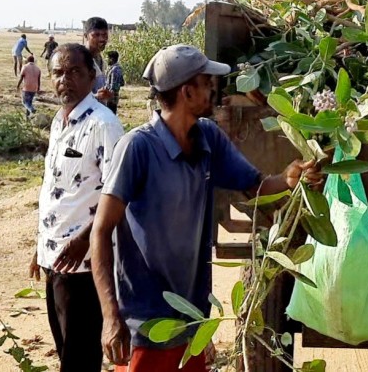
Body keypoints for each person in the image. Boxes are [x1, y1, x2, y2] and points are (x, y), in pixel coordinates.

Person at [90, 45, 324, 371]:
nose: (213, 88)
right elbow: (101, 231)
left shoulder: (208, 138)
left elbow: (255, 186)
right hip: (145, 327)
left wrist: (290, 177)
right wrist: (110, 316)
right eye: (206, 82)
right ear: (187, 92)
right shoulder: (137, 147)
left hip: (192, 324)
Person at [30, 43, 124, 372]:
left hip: (85, 265)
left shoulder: (103, 125)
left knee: (80, 358)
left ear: (91, 77)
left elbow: (120, 193)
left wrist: (86, 237)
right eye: (58, 73)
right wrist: (39, 246)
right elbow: (54, 190)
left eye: (74, 72)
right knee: (66, 351)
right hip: (55, 259)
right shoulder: (60, 122)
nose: (64, 80)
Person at [83, 17, 112, 105]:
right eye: (96, 35)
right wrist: (96, 96)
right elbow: (71, 93)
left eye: (104, 35)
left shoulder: (100, 59)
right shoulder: (79, 59)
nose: (102, 39)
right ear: (86, 36)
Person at [103, 51, 125, 116]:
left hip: (111, 96)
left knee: (110, 113)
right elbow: (122, 82)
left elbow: (113, 85)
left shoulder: (115, 69)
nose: (107, 60)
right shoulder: (113, 68)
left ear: (111, 59)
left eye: (108, 58)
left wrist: (110, 94)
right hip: (111, 96)